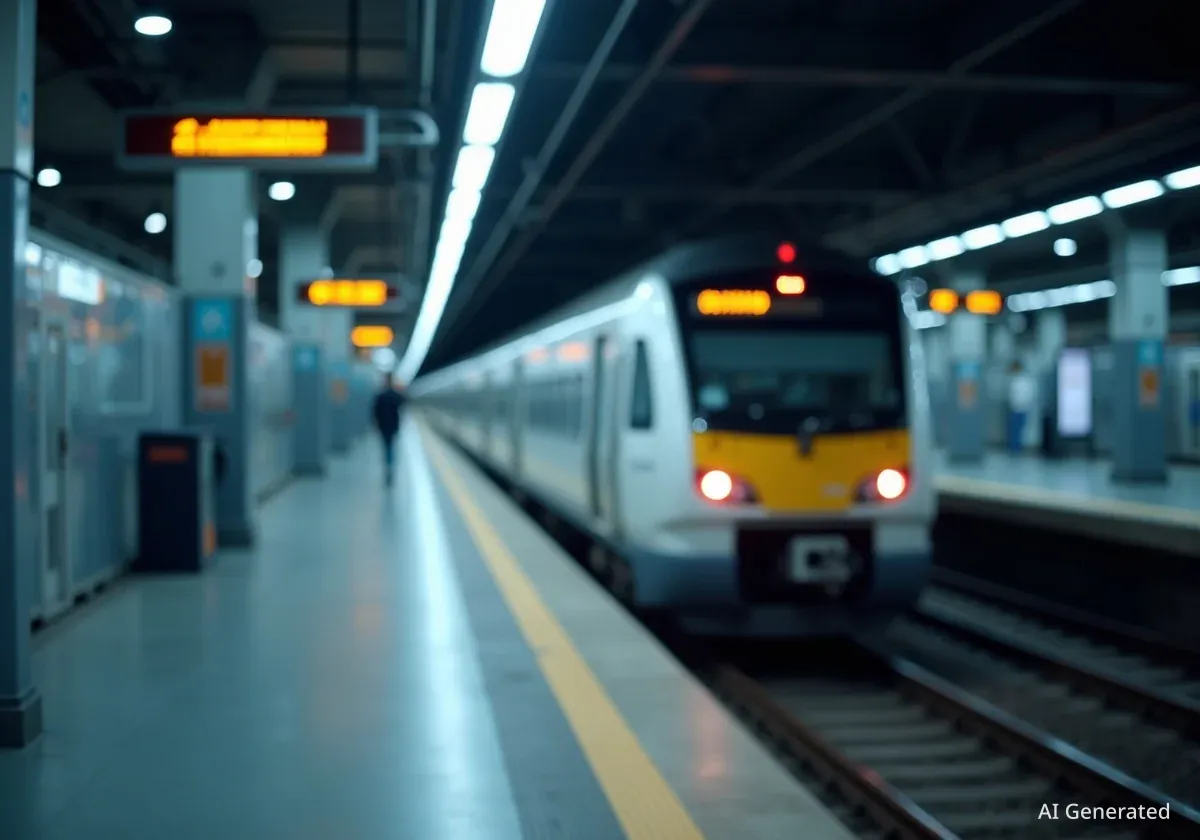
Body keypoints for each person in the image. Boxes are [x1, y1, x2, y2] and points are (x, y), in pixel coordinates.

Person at [371, 374, 405, 484]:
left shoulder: (380, 396)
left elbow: (375, 412)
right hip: (393, 426)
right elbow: (402, 407)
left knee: (385, 447)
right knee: (391, 447)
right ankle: (389, 466)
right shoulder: (395, 395)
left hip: (383, 426)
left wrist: (376, 425)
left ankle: (387, 465)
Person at [1006, 361, 1036, 454]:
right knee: (1017, 430)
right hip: (1021, 408)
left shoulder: (1020, 380)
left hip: (1018, 408)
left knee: (1017, 430)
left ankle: (1015, 448)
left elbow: (1016, 395)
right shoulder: (1024, 380)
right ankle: (1015, 448)